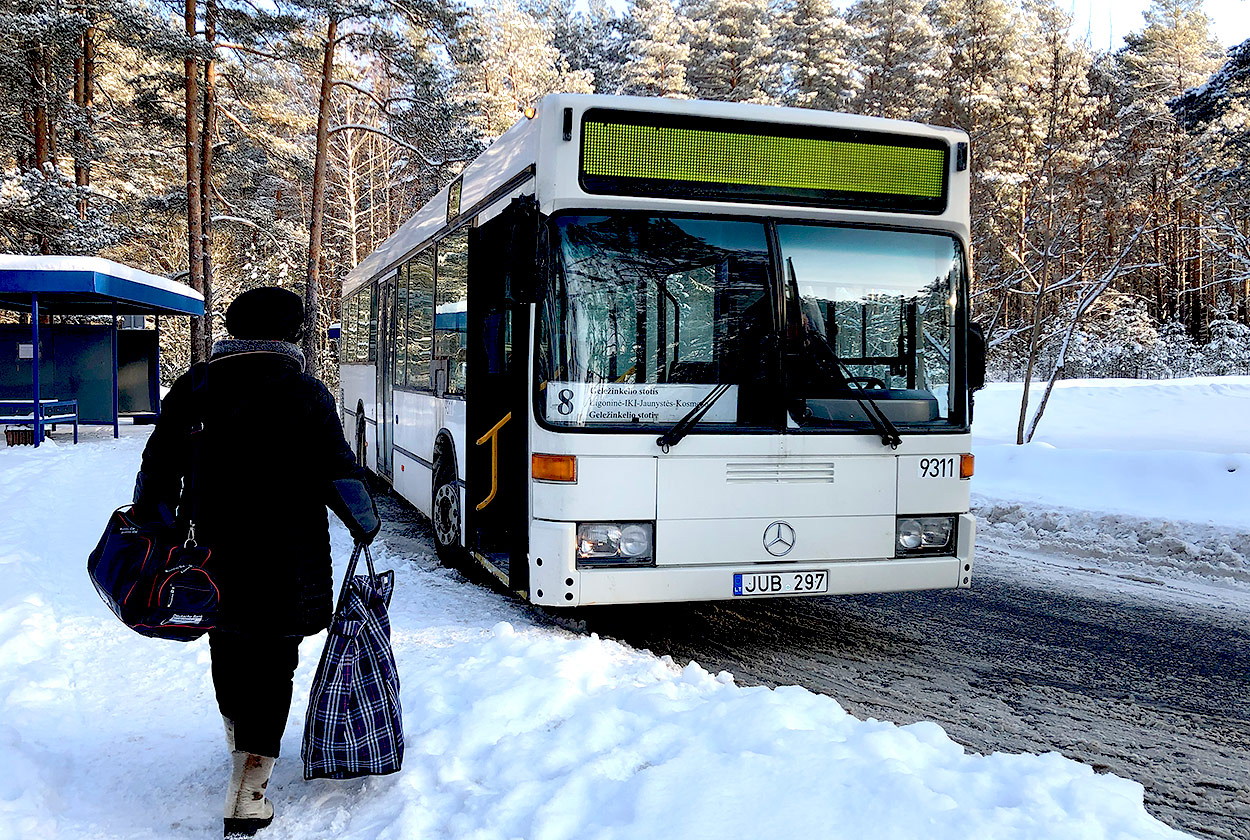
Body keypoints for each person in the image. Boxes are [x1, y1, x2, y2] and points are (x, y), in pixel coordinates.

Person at [133, 287, 378, 838]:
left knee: (227, 643)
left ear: (235, 331)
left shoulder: (193, 387)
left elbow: (157, 469)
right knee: (274, 663)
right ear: (294, 335)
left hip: (208, 554)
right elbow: (339, 471)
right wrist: (365, 524)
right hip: (286, 561)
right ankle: (248, 792)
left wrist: (158, 524)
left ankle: (240, 749)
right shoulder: (306, 394)